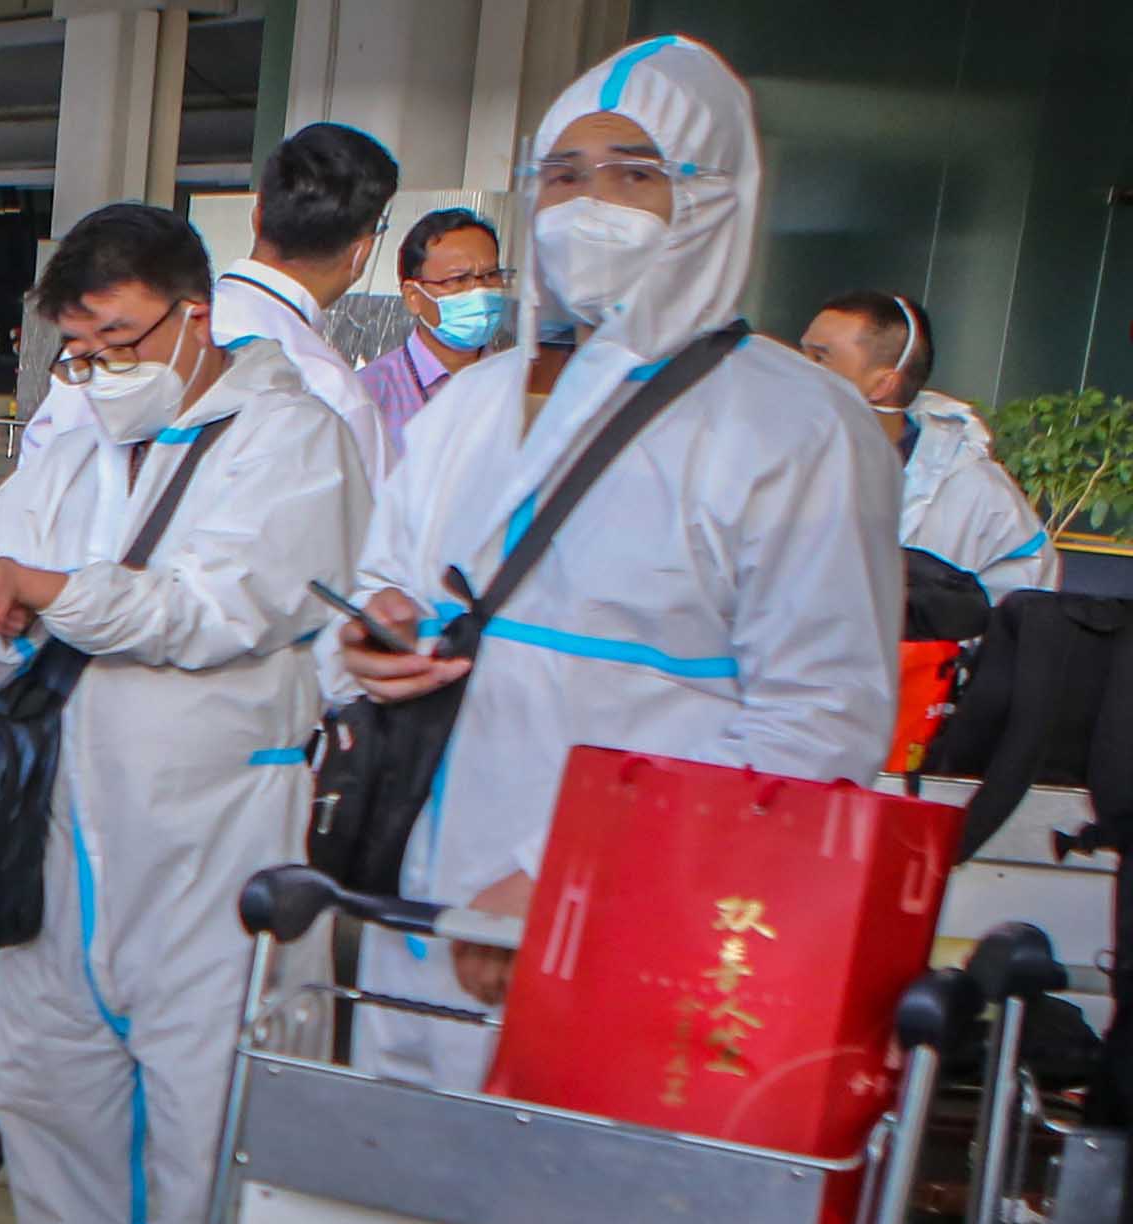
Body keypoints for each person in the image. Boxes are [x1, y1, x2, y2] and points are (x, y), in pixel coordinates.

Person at [334, 35, 897, 1093]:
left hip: (640, 930)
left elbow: (818, 726)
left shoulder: (797, 426)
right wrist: (371, 636)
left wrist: (569, 883)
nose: (587, 203)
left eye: (635, 173)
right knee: (397, 1223)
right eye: (562, 174)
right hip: (427, 897)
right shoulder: (474, 405)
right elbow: (382, 584)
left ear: (713, 195)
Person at [0, 204, 366, 1224]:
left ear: (195, 317)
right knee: (58, 1151)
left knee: (210, 1177)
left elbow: (221, 611)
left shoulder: (297, 443)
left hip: (217, 865)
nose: (98, 371)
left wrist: (49, 588)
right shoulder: (74, 440)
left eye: (119, 341)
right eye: (77, 349)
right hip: (66, 858)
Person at [19, 122, 398, 482]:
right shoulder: (333, 394)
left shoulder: (101, 341)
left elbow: (34, 477)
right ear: (361, 252)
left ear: (258, 215)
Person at [799, 290, 1059, 604]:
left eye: (819, 358)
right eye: (801, 354)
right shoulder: (769, 460)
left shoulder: (973, 491)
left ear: (882, 385)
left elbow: (1022, 606)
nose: (798, 370)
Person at [354, 207, 507, 458]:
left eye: (491, 276)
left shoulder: (521, 382)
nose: (479, 291)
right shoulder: (368, 395)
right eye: (458, 280)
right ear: (414, 297)